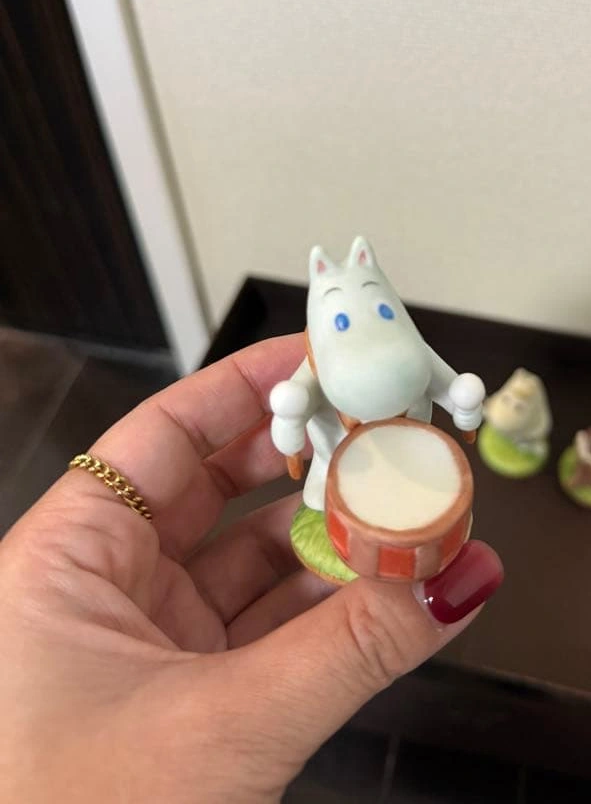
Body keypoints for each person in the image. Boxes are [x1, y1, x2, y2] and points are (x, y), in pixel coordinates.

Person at [0, 334, 503, 802]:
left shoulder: (397, 365)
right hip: (346, 483)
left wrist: (457, 397)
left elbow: (437, 379)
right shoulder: (321, 379)